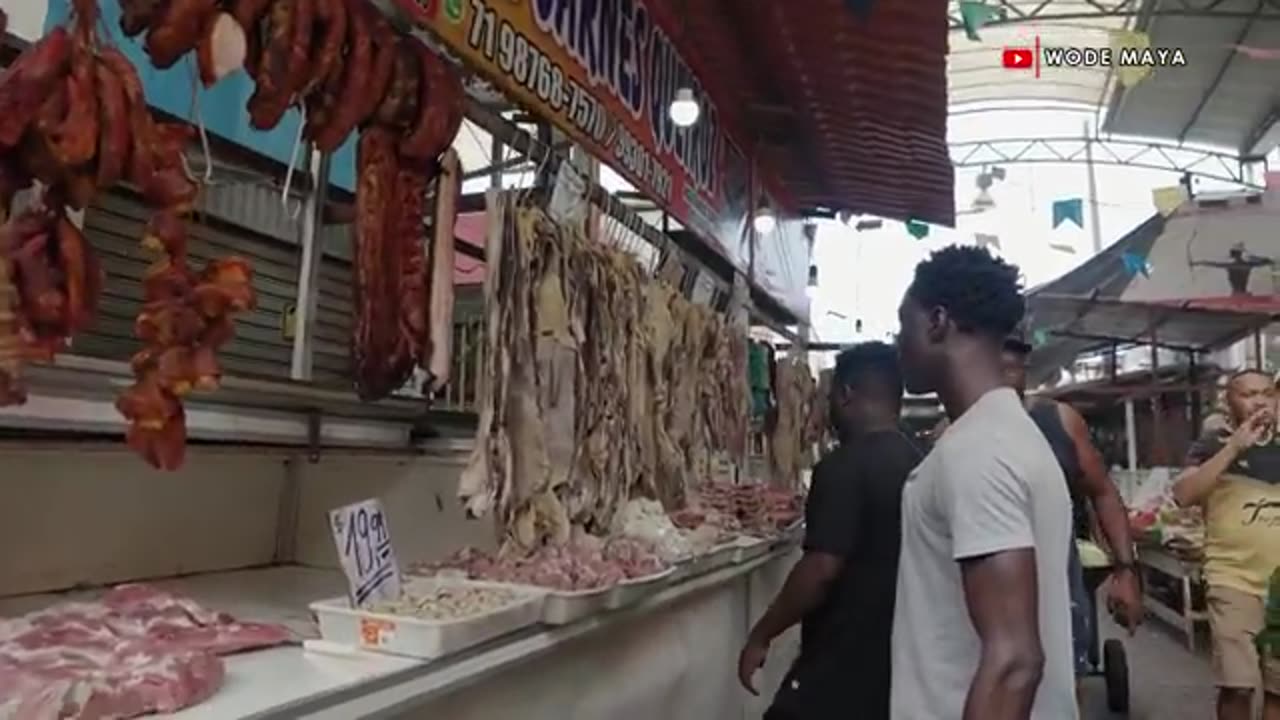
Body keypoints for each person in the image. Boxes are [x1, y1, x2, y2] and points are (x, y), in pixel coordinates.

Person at [891, 245, 1076, 720]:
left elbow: (1015, 660)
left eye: (902, 327)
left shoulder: (979, 451)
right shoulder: (998, 435)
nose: (898, 344)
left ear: (936, 322)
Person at [738, 341, 924, 720]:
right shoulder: (918, 461)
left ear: (846, 394)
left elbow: (821, 569)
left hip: (839, 668)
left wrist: (762, 634)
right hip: (895, 666)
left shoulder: (843, 467)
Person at [999, 335, 1145, 663]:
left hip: (1061, 571)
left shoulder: (1059, 421)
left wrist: (1125, 571)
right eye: (996, 370)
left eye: (1013, 369)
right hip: (994, 584)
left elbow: (1103, 492)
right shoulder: (955, 432)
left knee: (1065, 674)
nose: (1005, 380)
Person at [1173, 369, 1280, 720]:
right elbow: (1184, 494)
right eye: (1248, 394)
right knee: (1238, 685)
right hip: (1232, 579)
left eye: (1266, 393)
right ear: (1229, 402)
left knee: (1277, 688)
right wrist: (1235, 447)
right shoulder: (1212, 444)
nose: (1260, 401)